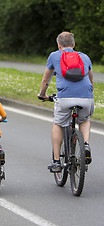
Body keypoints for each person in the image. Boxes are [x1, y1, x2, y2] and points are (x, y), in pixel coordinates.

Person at [38, 31, 94, 172]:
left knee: (58, 123)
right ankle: (85, 144)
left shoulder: (54, 56)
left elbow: (46, 79)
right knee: (85, 119)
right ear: (74, 44)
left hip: (65, 98)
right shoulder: (85, 57)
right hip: (86, 97)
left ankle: (56, 161)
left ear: (59, 45)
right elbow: (91, 81)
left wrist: (42, 94)